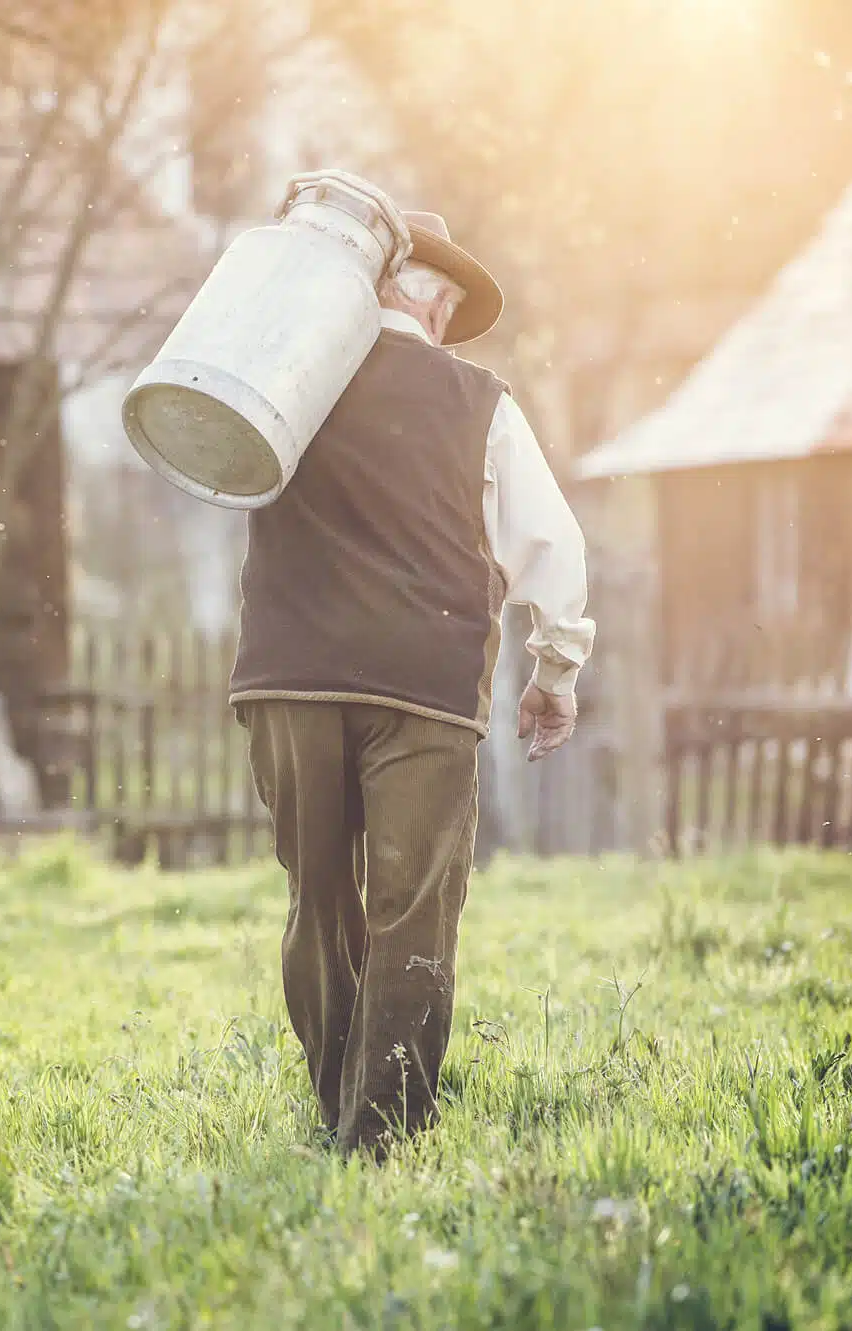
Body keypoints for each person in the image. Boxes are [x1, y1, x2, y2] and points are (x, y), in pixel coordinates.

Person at [230, 209, 595, 1156]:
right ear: (428, 298)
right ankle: (381, 1132)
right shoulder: (478, 401)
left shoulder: (282, 377)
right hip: (423, 683)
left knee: (318, 900)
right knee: (413, 906)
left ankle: (333, 1099)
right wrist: (554, 672)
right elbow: (549, 543)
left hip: (289, 673)